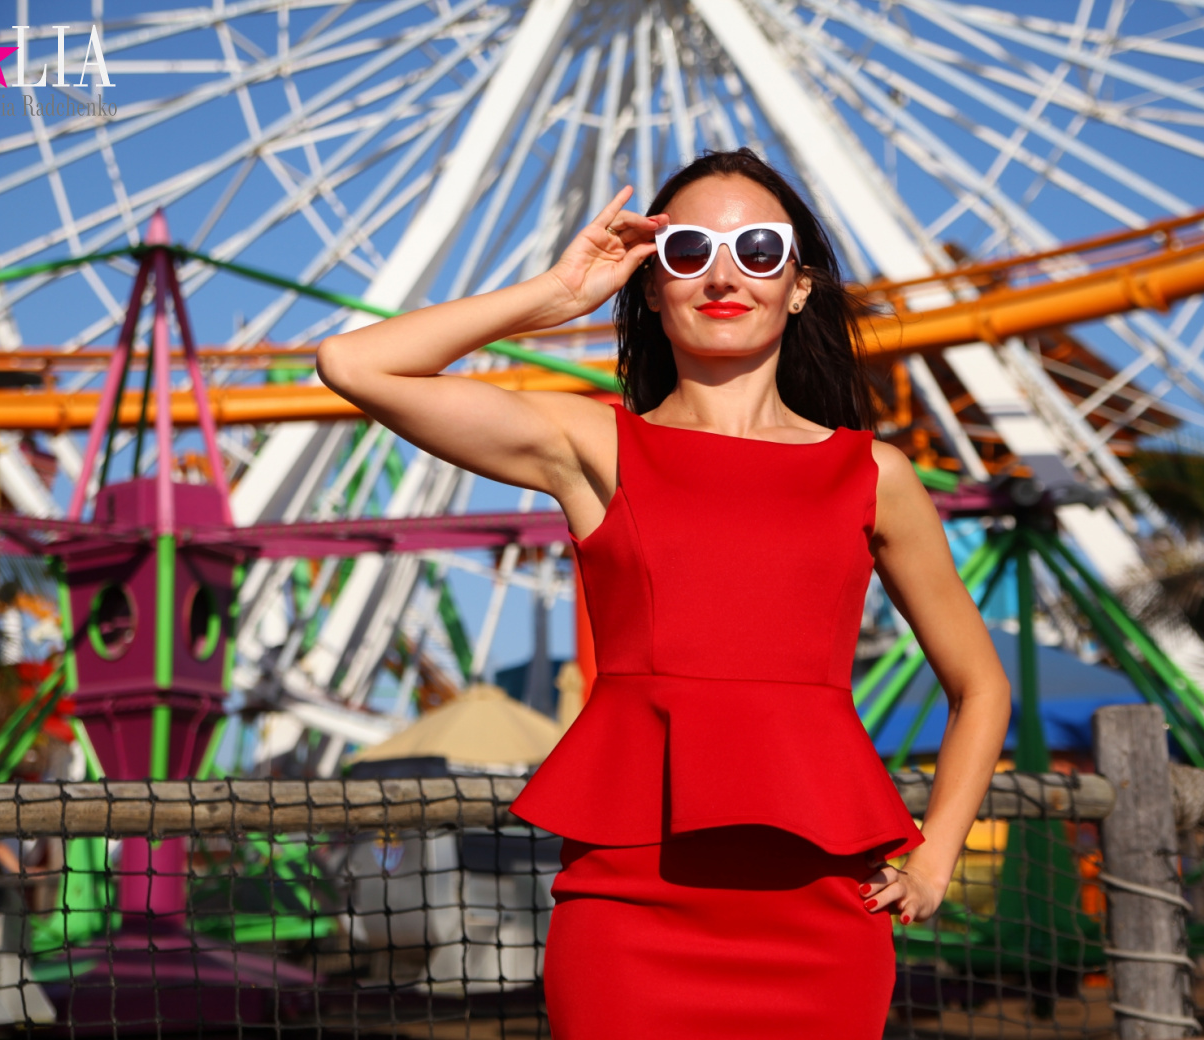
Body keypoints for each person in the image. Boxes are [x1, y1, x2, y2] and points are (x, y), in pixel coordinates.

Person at [317, 148, 1012, 1039]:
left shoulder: (875, 476)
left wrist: (936, 859)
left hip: (823, 911)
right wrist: (556, 293)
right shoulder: (594, 448)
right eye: (688, 250)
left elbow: (979, 685)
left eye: (759, 249)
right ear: (652, 285)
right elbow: (354, 363)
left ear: (800, 285)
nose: (724, 275)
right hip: (629, 908)